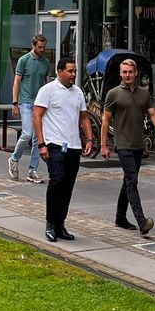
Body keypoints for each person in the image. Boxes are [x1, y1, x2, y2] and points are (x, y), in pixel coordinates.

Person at [100, 58, 155, 234]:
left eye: (130, 72)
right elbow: (105, 120)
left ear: (136, 73)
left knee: (128, 181)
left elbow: (152, 114)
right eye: (124, 72)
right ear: (120, 74)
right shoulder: (113, 94)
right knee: (132, 181)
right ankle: (142, 221)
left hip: (138, 144)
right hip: (123, 144)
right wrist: (103, 145)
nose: (127, 75)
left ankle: (120, 218)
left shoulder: (144, 94)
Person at [33, 56, 93, 242]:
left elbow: (84, 117)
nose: (73, 74)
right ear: (60, 72)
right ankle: (50, 222)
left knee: (68, 186)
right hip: (54, 144)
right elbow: (37, 116)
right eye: (70, 71)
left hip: (73, 145)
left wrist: (89, 139)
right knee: (57, 180)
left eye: (75, 71)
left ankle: (60, 224)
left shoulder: (78, 93)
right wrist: (41, 144)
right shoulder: (48, 90)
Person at [8, 33, 51, 184]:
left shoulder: (45, 63)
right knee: (27, 133)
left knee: (37, 138)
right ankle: (14, 159)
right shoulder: (24, 60)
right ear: (33, 45)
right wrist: (15, 103)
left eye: (44, 47)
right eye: (39, 47)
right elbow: (16, 82)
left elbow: (47, 85)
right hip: (25, 102)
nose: (42, 49)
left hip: (39, 104)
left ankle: (32, 170)